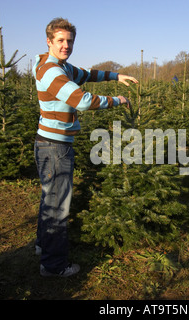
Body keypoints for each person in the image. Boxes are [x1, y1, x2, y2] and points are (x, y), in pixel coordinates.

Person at [32, 17, 138, 277]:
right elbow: (80, 100)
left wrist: (116, 75)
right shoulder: (50, 70)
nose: (66, 45)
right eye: (60, 41)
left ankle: (42, 246)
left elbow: (87, 74)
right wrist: (116, 100)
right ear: (49, 41)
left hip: (51, 142)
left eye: (69, 41)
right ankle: (54, 266)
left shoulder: (63, 66)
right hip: (54, 146)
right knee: (58, 204)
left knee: (50, 197)